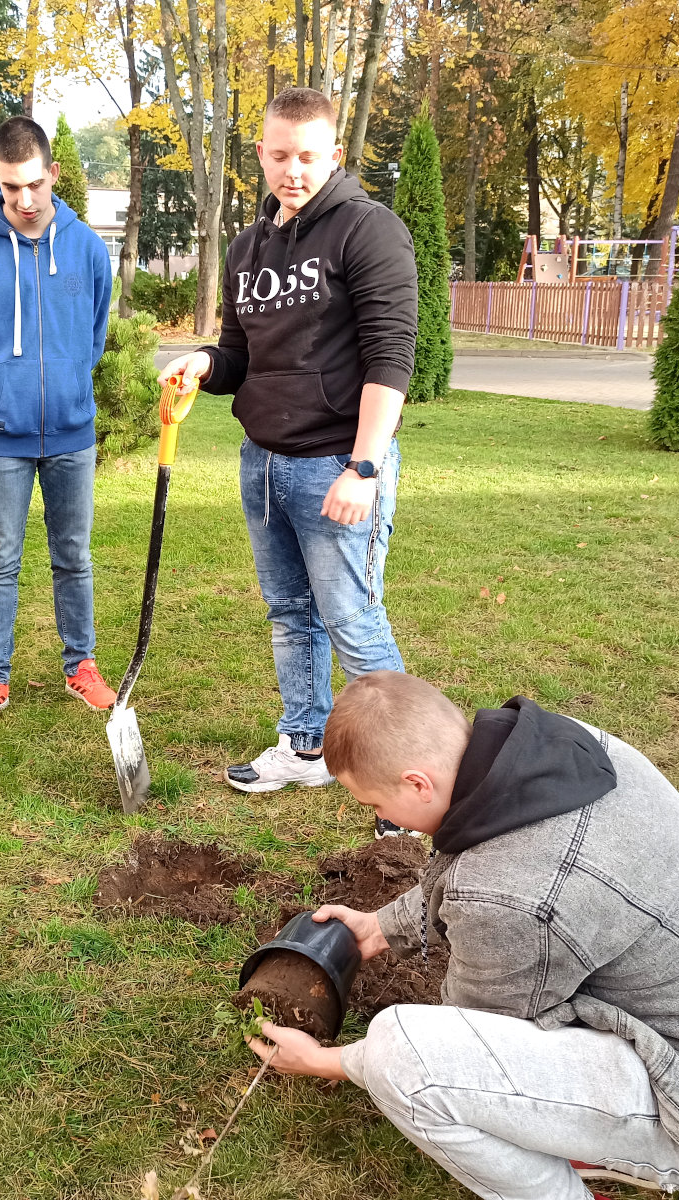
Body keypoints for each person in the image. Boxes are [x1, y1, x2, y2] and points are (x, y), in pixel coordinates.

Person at [246, 670, 679, 1199]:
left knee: (403, 1058)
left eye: (374, 804)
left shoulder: (514, 897)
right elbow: (477, 858)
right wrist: (381, 927)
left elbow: (467, 1040)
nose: (380, 815)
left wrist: (330, 1062)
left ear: (418, 782)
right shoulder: (553, 754)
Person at [158, 89, 418, 835]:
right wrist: (204, 362)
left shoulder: (369, 230)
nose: (291, 171)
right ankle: (304, 743)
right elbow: (242, 356)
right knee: (289, 614)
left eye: (307, 156)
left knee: (353, 620)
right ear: (261, 155)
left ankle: (405, 780)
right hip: (264, 463)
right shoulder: (249, 248)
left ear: (335, 155)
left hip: (337, 463)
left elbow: (391, 357)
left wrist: (364, 468)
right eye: (278, 155)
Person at [0, 116, 115, 726]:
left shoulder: (88, 248)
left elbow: (93, 338)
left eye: (36, 184)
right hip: (0, 440)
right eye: (13, 188)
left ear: (53, 174)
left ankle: (82, 665)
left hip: (71, 433)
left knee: (74, 555)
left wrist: (63, 387)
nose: (26, 200)